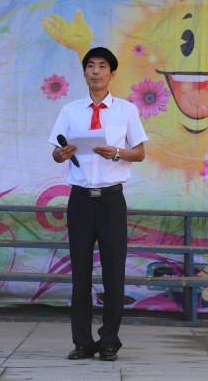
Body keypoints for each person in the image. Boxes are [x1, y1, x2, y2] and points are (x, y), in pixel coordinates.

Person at [48, 47, 148, 361]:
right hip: (79, 200)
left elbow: (140, 152)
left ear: (112, 73)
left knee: (113, 273)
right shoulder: (70, 110)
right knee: (80, 273)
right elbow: (55, 152)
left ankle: (108, 341)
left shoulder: (126, 110)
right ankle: (82, 342)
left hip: (110, 200)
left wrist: (116, 152)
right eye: (90, 66)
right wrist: (61, 153)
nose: (95, 72)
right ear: (84, 73)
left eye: (102, 66)